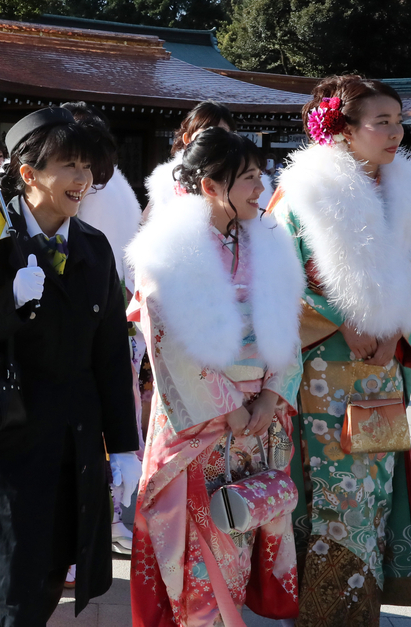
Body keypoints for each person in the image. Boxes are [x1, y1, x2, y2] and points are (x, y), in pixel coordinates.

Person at [0, 106, 139, 627]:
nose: (82, 180)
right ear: (28, 173)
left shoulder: (94, 247)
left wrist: (127, 446)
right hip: (2, 442)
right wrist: (10, 303)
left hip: (71, 444)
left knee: (44, 577)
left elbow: (110, 351)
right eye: (69, 165)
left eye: (87, 168)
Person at [269, 75, 411, 625]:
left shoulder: (409, 193)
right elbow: (276, 276)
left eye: (398, 121)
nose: (395, 132)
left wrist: (396, 329)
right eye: (381, 122)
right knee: (331, 491)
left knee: (374, 490)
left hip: (381, 368)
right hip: (323, 368)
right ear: (343, 129)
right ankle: (325, 607)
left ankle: (360, 604)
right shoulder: (302, 194)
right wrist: (343, 318)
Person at [127, 127, 305, 627]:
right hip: (201, 418)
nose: (261, 187)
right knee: (197, 545)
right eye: (248, 178)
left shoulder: (269, 239)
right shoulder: (170, 247)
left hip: (255, 419)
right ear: (210, 185)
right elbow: (170, 340)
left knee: (240, 531)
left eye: (260, 175)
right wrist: (229, 405)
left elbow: (287, 322)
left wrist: (272, 394)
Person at [63, 101, 144, 559]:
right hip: (116, 316)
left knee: (100, 420)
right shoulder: (118, 189)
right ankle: (105, 518)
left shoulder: (94, 191)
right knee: (109, 415)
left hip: (104, 318)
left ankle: (102, 519)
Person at [145, 100, 235, 212]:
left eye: (221, 134)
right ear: (187, 139)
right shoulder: (166, 181)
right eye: (204, 134)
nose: (212, 140)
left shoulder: (243, 174)